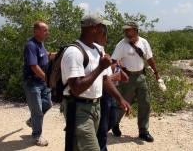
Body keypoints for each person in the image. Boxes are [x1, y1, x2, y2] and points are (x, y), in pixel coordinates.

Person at [61, 13, 131, 151]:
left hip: (95, 107)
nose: (104, 30)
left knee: (78, 147)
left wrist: (120, 99)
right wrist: (100, 67)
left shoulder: (97, 50)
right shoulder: (74, 52)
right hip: (78, 108)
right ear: (94, 28)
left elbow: (104, 79)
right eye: (102, 27)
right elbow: (76, 88)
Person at [111, 21, 161, 142]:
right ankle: (114, 124)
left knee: (145, 102)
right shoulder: (122, 44)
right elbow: (113, 61)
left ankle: (143, 131)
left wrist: (157, 74)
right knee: (122, 104)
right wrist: (120, 71)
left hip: (141, 76)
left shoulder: (144, 42)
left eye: (129, 30)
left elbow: (149, 58)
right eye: (125, 30)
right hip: (127, 77)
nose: (126, 32)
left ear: (136, 30)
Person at [95, 24, 129, 151]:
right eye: (105, 34)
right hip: (102, 94)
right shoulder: (92, 52)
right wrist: (115, 77)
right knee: (103, 127)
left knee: (112, 119)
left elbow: (110, 69)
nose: (106, 38)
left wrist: (118, 71)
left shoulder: (101, 50)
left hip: (110, 92)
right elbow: (101, 79)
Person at [23, 21, 53, 146]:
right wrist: (48, 78)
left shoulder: (40, 44)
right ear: (36, 31)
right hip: (32, 83)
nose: (47, 32)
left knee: (48, 104)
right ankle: (36, 136)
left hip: (42, 83)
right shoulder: (31, 45)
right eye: (45, 30)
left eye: (47, 29)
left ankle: (32, 121)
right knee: (37, 112)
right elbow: (34, 66)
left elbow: (45, 56)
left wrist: (60, 54)